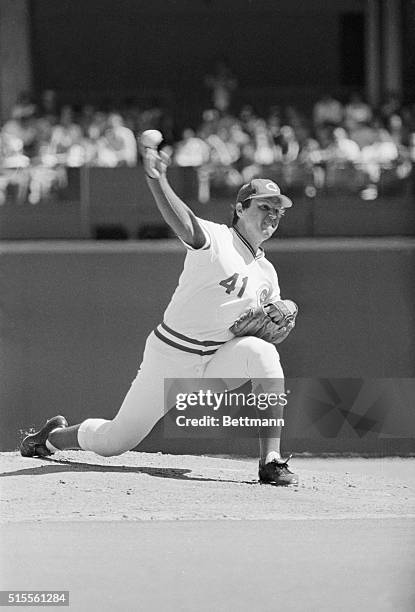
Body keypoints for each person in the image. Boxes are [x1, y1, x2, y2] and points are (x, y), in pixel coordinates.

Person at [20, 145, 299, 486]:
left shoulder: (267, 274)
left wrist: (274, 326)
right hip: (171, 358)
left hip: (215, 365)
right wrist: (158, 180)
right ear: (240, 209)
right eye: (264, 206)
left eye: (277, 211)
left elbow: (270, 328)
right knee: (114, 442)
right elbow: (183, 222)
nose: (272, 215)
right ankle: (51, 438)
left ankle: (270, 461)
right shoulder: (217, 239)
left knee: (263, 352)